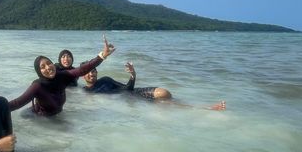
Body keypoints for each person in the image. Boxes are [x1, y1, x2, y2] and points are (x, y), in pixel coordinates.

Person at [8, 35, 116, 116]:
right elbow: (17, 103)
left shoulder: (62, 76)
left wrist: (102, 56)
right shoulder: (37, 86)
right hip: (37, 119)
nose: (48, 67)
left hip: (56, 117)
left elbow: (82, 70)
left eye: (49, 63)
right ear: (39, 72)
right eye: (43, 67)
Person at [82, 62, 226, 110]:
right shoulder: (84, 92)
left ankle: (202, 107)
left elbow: (127, 88)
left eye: (93, 71)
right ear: (82, 75)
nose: (91, 74)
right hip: (130, 102)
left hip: (134, 94)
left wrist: (133, 75)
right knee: (165, 104)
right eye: (88, 72)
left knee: (164, 93)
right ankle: (205, 108)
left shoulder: (105, 79)